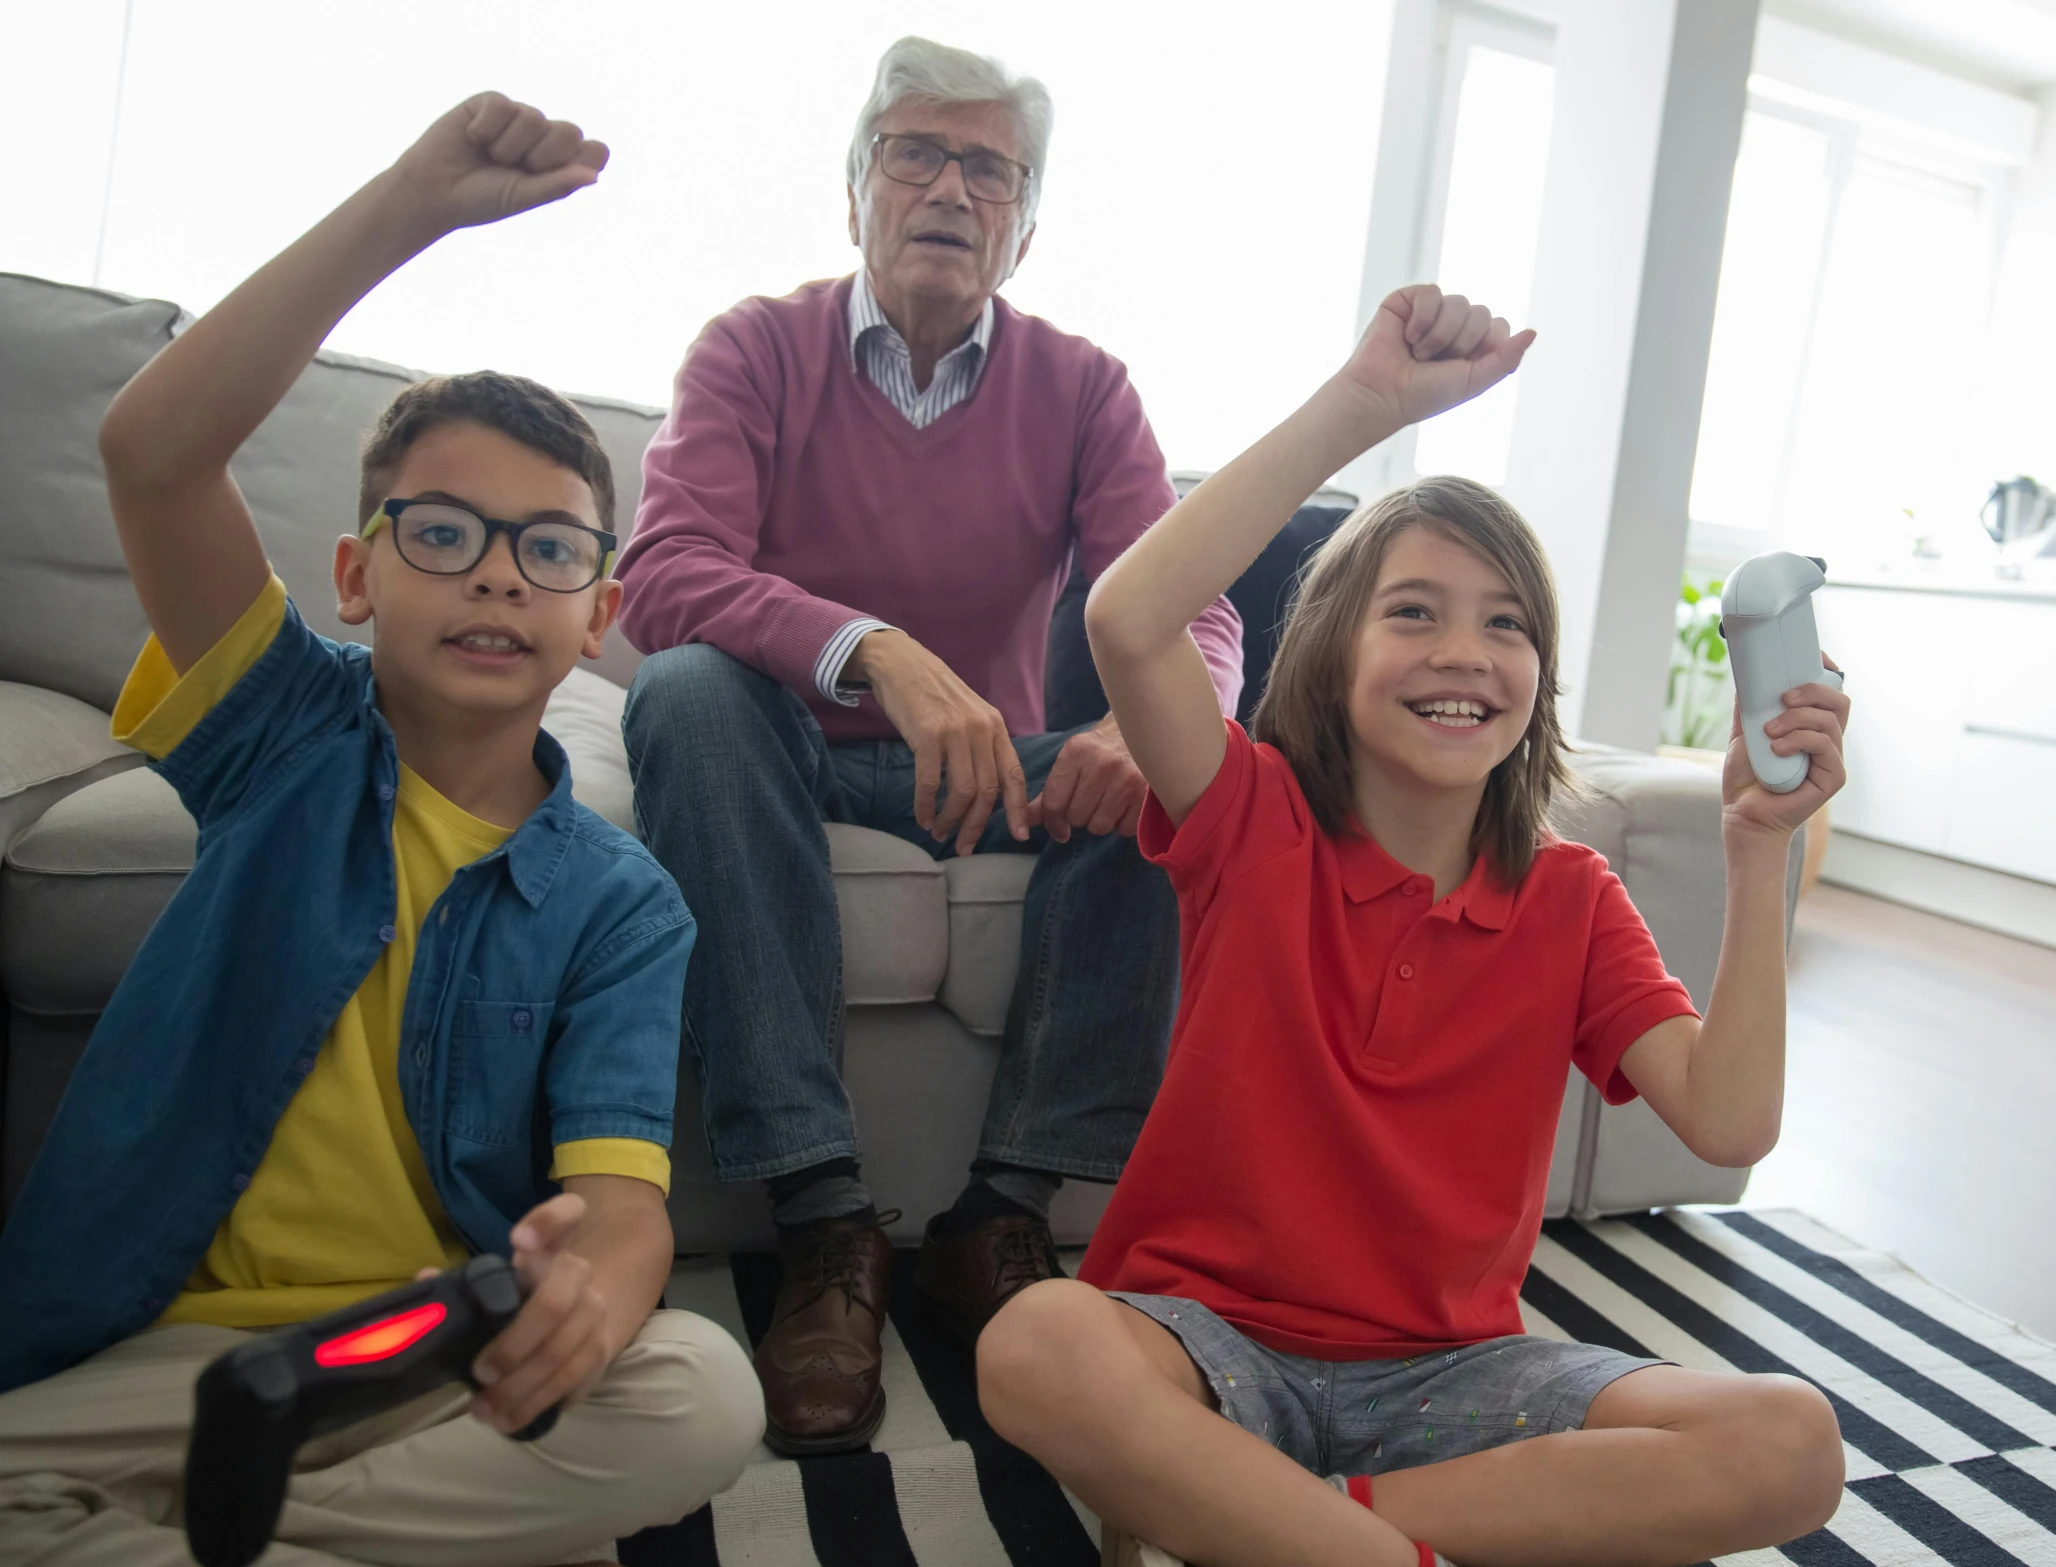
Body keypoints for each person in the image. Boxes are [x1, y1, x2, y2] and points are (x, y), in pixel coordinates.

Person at [975, 285, 1851, 1567]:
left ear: (1536, 678)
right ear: (1331, 652)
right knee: (1036, 1341)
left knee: (1791, 1442)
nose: (1465, 652)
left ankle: (1283, 1534)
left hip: (1454, 1381)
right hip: (1203, 1349)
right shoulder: (1249, 814)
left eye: (1507, 624)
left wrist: (1755, 847)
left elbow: (1728, 1124)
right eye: (1414, 611)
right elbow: (1126, 617)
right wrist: (1365, 406)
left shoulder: (1570, 899)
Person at [0, 94, 763, 1562]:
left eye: (544, 549)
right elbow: (153, 450)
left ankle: (191, 1529)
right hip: (165, 1355)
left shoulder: (623, 902)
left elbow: (620, 1199)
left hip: (414, 1366)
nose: (492, 575)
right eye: (441, 532)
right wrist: (413, 202)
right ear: (355, 574)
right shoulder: (280, 733)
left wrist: (597, 1280)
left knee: (700, 1391)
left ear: (599, 616)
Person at [616, 36, 1244, 1454]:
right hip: (787, 742)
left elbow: (1192, 607)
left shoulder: (1084, 387)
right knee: (689, 694)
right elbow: (659, 575)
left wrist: (1136, 728)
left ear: (1021, 228)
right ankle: (826, 1223)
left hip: (993, 771)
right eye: (915, 152)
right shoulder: (751, 348)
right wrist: (874, 647)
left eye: (988, 170)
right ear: (855, 192)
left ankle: (1002, 1214)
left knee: (1168, 763)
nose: (949, 188)